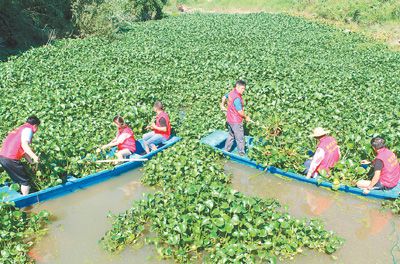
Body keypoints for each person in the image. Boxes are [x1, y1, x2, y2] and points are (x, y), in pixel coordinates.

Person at [0, 116, 41, 195]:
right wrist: (35, 157)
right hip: (10, 158)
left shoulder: (20, 128)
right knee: (25, 181)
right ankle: (26, 201)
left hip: (2, 157)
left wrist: (31, 162)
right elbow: (25, 146)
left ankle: (20, 193)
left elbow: (22, 150)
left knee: (18, 178)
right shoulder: (28, 130)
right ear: (35, 125)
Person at [220, 80, 251, 156]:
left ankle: (226, 150)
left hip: (229, 119)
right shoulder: (237, 99)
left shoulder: (231, 93)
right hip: (236, 121)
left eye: (244, 89)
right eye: (242, 88)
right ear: (237, 87)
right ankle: (241, 153)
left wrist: (222, 104)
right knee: (240, 138)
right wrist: (246, 117)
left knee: (231, 135)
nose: (243, 90)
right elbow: (240, 112)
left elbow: (224, 96)